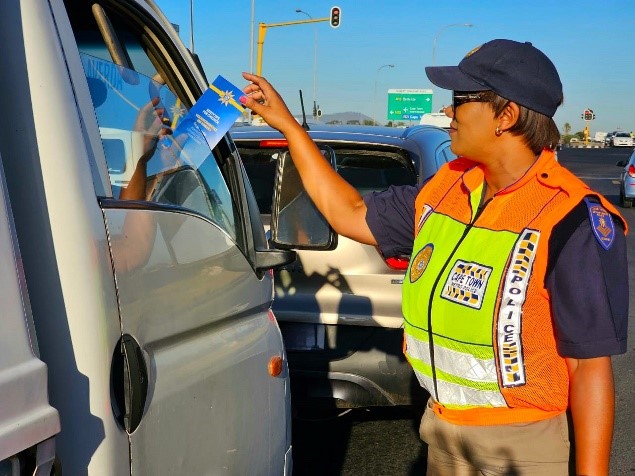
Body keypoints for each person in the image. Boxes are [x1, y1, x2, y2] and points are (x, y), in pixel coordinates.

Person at [239, 39, 628, 475]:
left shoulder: (571, 217)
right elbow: (350, 213)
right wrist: (291, 128)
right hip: (443, 434)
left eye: (461, 100)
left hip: (522, 448)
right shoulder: (446, 189)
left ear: (507, 115)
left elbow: (589, 366)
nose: (448, 112)